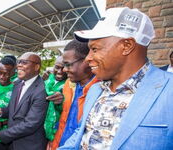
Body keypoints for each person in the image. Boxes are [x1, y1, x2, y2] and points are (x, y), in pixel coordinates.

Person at [59, 7, 173, 150]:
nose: (88, 58)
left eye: (95, 49)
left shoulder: (169, 90)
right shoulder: (95, 90)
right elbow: (80, 135)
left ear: (127, 46)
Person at [0, 52, 49, 150]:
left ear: (36, 67)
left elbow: (31, 124)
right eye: (19, 62)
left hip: (30, 146)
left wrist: (0, 134)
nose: (19, 65)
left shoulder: (42, 90)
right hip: (13, 145)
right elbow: (12, 110)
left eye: (24, 62)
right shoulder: (18, 83)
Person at [48, 40, 98, 150]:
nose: (64, 70)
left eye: (68, 65)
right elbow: (63, 120)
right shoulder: (68, 85)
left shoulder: (100, 91)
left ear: (87, 60)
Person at [44, 56, 67, 143]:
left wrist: (62, 102)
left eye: (63, 68)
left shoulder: (70, 85)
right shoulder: (47, 80)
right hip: (39, 129)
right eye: (57, 67)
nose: (60, 71)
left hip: (56, 130)